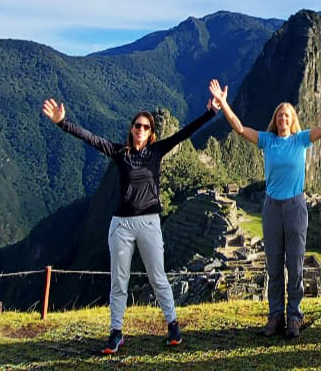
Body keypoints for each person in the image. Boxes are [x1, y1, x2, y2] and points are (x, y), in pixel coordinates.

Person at [41, 96, 219, 355]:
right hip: (121, 225)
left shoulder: (156, 152)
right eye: (138, 125)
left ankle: (172, 325)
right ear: (132, 128)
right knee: (119, 280)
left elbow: (184, 133)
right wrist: (62, 123)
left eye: (146, 127)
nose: (141, 130)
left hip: (148, 222)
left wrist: (210, 113)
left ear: (151, 133)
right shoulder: (119, 153)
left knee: (158, 276)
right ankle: (116, 332)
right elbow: (90, 138)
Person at [208, 75, 321, 338]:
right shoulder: (267, 141)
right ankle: (275, 316)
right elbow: (239, 128)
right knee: (274, 265)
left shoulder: (301, 140)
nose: (283, 119)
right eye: (280, 116)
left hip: (295, 206)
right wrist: (224, 103)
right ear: (275, 120)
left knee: (294, 265)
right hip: (272, 206)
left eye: (287, 115)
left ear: (292, 120)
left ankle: (294, 316)